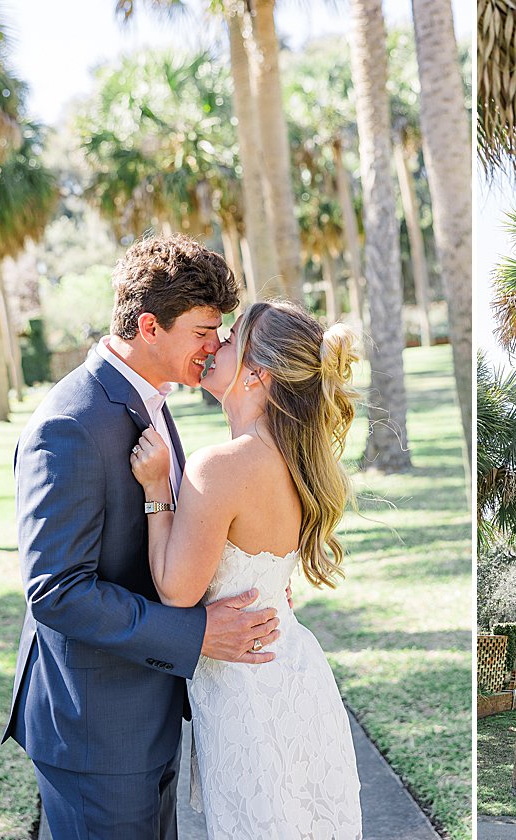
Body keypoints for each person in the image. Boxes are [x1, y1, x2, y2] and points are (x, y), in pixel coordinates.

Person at [2, 235, 282, 839]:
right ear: (150, 326)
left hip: (150, 711)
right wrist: (197, 632)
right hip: (95, 732)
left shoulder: (152, 400)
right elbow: (55, 591)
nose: (216, 347)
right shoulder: (69, 423)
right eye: (204, 330)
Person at [129, 299, 363, 837]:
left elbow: (175, 591)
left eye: (230, 339)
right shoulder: (297, 460)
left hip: (248, 691)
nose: (213, 345)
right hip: (294, 673)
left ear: (257, 374)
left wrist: (155, 492)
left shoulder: (222, 466)